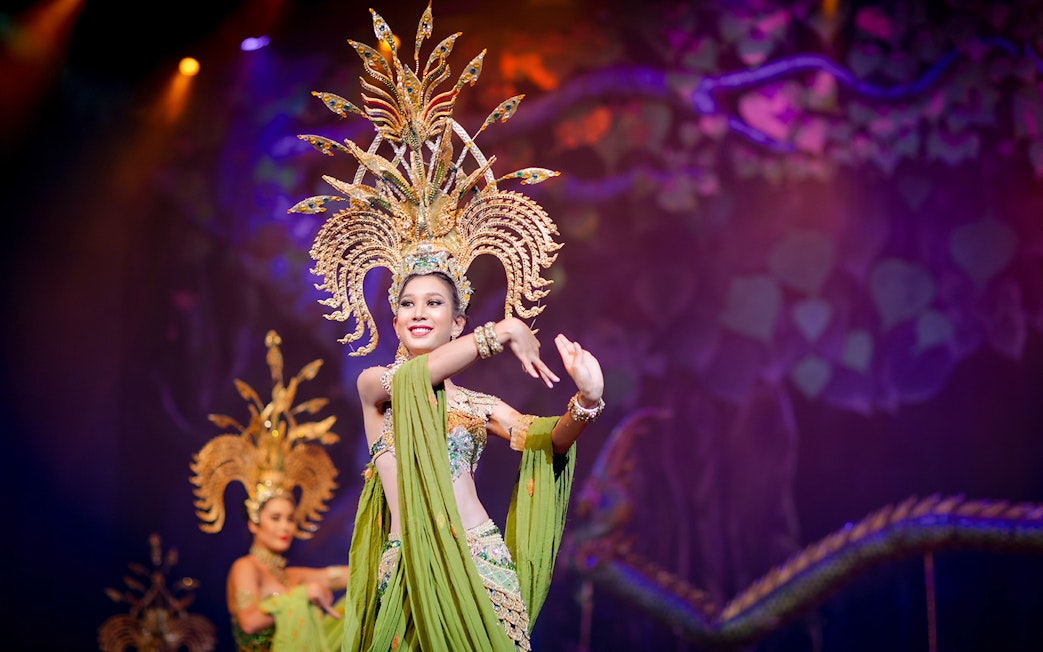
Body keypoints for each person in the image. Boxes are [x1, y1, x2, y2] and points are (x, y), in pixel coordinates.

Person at [288, 5, 605, 649]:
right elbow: (412, 386)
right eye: (407, 304)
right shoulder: (376, 385)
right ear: (393, 317)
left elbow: (543, 441)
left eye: (435, 304)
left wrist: (587, 402)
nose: (419, 314)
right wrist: (496, 334)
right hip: (405, 578)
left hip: (479, 569)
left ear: (456, 317)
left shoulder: (477, 405)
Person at [190, 330, 350, 651]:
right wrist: (303, 596)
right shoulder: (246, 568)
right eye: (276, 517)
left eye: (290, 518)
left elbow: (344, 575)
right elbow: (249, 619)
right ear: (253, 521)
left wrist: (391, 558)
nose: (285, 526)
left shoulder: (289, 577)